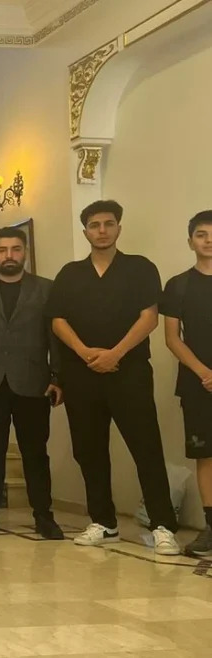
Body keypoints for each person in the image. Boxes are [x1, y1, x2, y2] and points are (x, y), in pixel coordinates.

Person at [48, 200, 180, 555]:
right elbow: (57, 320)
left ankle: (163, 525)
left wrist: (114, 354)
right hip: (82, 374)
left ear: (119, 227)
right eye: (95, 225)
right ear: (85, 232)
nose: (102, 230)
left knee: (146, 447)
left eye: (108, 223)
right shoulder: (70, 274)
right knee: (88, 451)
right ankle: (104, 522)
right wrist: (85, 353)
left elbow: (149, 318)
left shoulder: (140, 268)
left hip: (129, 372)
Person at [0, 227, 64, 540]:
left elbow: (55, 337)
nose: (9, 255)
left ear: (25, 253)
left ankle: (44, 516)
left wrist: (57, 377)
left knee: (36, 453)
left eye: (16, 249)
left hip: (33, 382)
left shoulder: (45, 288)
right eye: (2, 250)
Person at [162, 210, 212, 556]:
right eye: (201, 234)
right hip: (197, 384)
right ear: (190, 241)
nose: (208, 240)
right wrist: (204, 373)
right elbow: (172, 338)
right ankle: (211, 528)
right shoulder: (178, 285)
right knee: (206, 455)